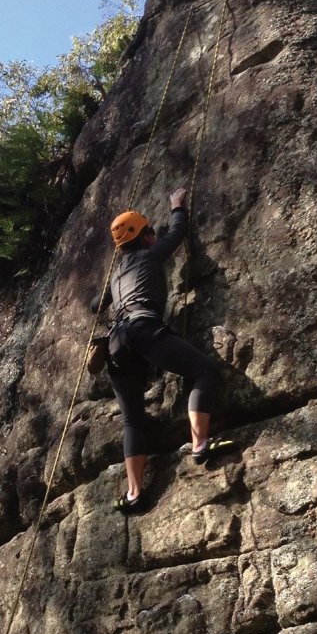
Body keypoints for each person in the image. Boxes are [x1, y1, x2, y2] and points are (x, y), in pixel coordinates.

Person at [105, 185, 217, 514]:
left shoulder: (116, 276)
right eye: (151, 233)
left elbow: (99, 303)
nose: (155, 238)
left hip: (116, 344)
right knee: (203, 371)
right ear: (145, 236)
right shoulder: (150, 254)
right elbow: (178, 233)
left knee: (133, 421)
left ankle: (134, 493)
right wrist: (177, 205)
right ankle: (199, 444)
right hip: (142, 329)